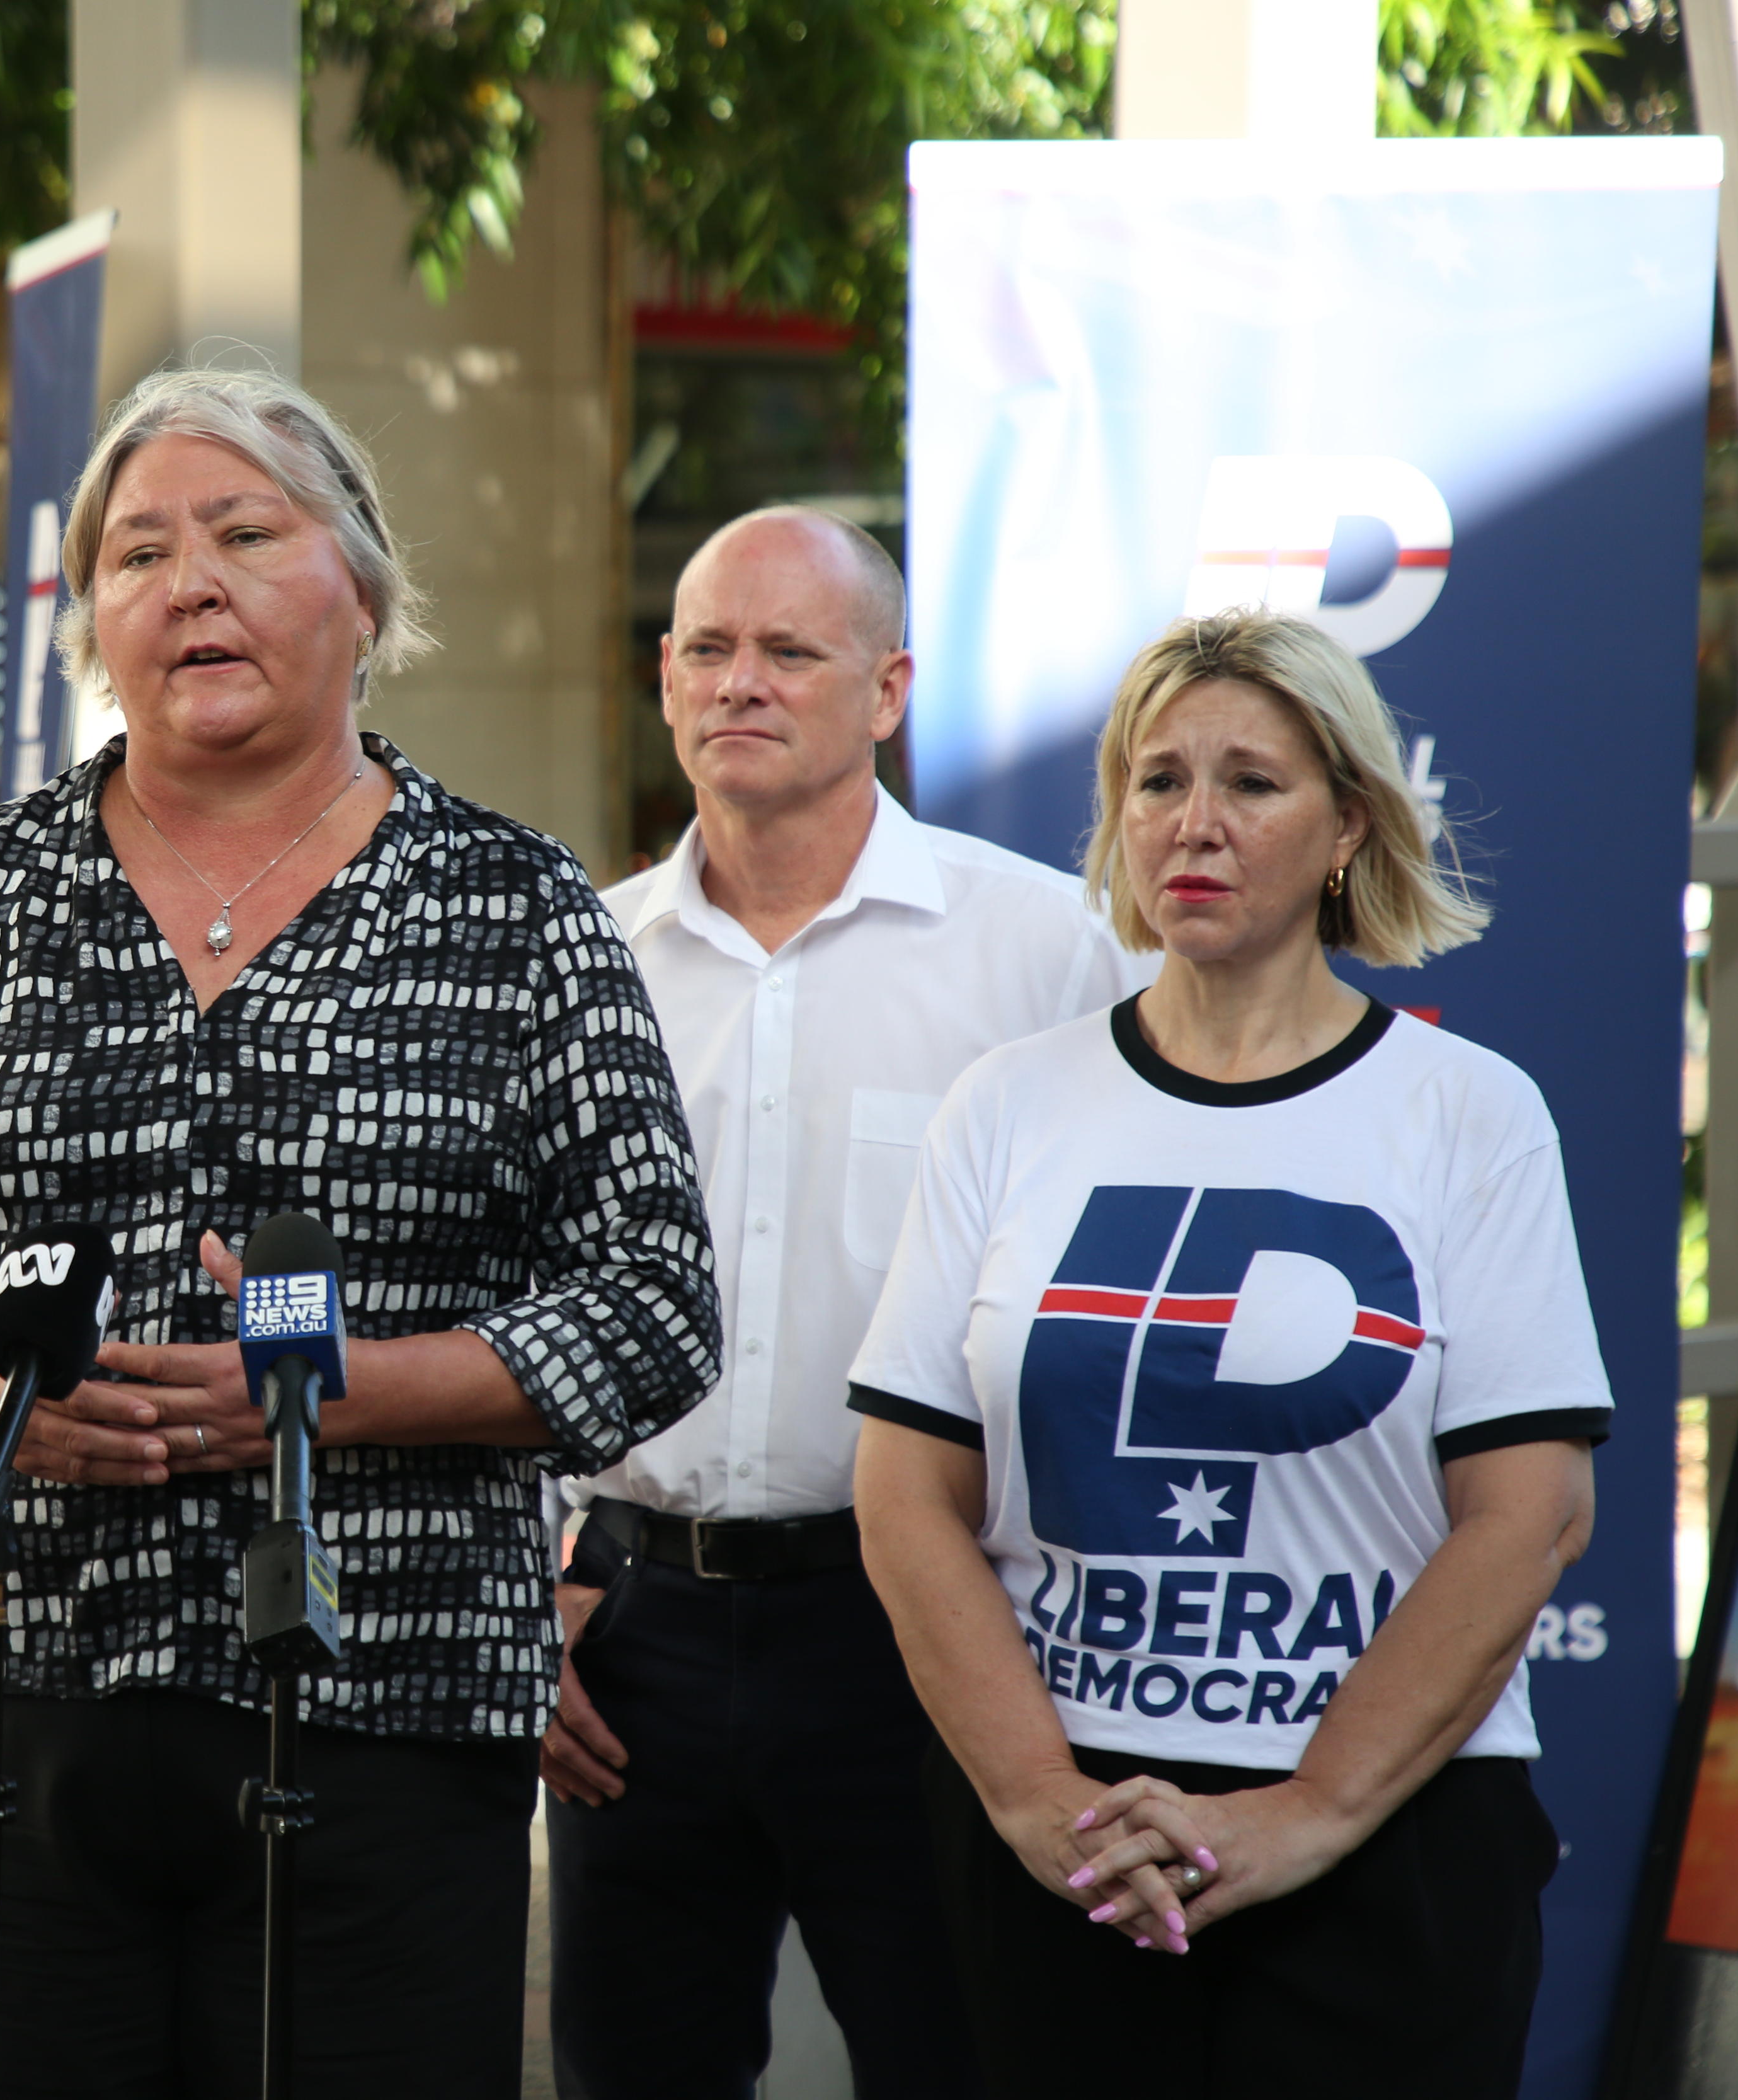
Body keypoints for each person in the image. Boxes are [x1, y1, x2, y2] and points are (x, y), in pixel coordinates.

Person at [0, 367, 721, 2100]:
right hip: (28, 1705)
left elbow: (654, 1301)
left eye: (246, 533)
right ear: (91, 625)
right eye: (136, 552)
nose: (188, 580)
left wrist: (329, 1393)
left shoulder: (513, 905)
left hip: (395, 1708)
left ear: (362, 590)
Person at [847, 609, 1610, 2097]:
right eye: (1156, 778)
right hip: (1068, 1846)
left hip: (1387, 1843)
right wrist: (1036, 1801)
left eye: (1251, 782)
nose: (1192, 821)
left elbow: (1531, 1514)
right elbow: (902, 1490)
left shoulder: (1469, 1110)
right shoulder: (1006, 1104)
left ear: (1346, 828)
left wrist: (1308, 1810)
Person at [540, 507, 1145, 2097]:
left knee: (963, 2061)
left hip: (928, 1629)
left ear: (886, 689)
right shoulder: (587, 960)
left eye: (789, 651)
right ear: (663, 677)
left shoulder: (1043, 955)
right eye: (708, 649)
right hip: (627, 1632)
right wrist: (523, 1602)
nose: (741, 682)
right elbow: (511, 1295)